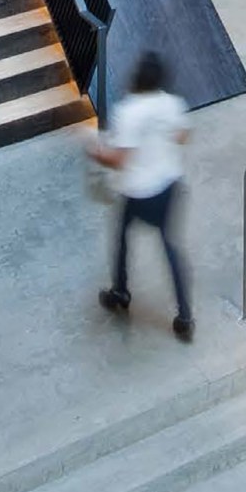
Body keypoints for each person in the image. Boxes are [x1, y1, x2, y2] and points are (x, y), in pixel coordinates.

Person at [91, 51, 194, 341]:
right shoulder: (172, 104)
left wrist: (95, 151)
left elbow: (119, 160)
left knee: (122, 236)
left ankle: (121, 291)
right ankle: (185, 314)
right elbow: (183, 136)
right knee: (170, 246)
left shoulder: (128, 111)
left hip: (139, 192)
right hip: (170, 186)